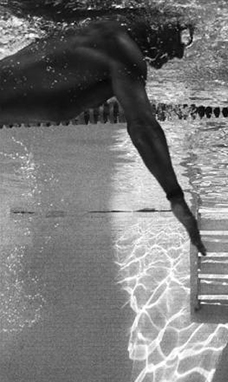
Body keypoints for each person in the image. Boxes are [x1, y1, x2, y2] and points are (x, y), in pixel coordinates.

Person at [0, 8, 207, 255]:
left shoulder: (104, 38)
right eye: (184, 37)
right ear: (160, 25)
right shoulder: (121, 48)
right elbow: (143, 127)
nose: (181, 53)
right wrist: (175, 197)